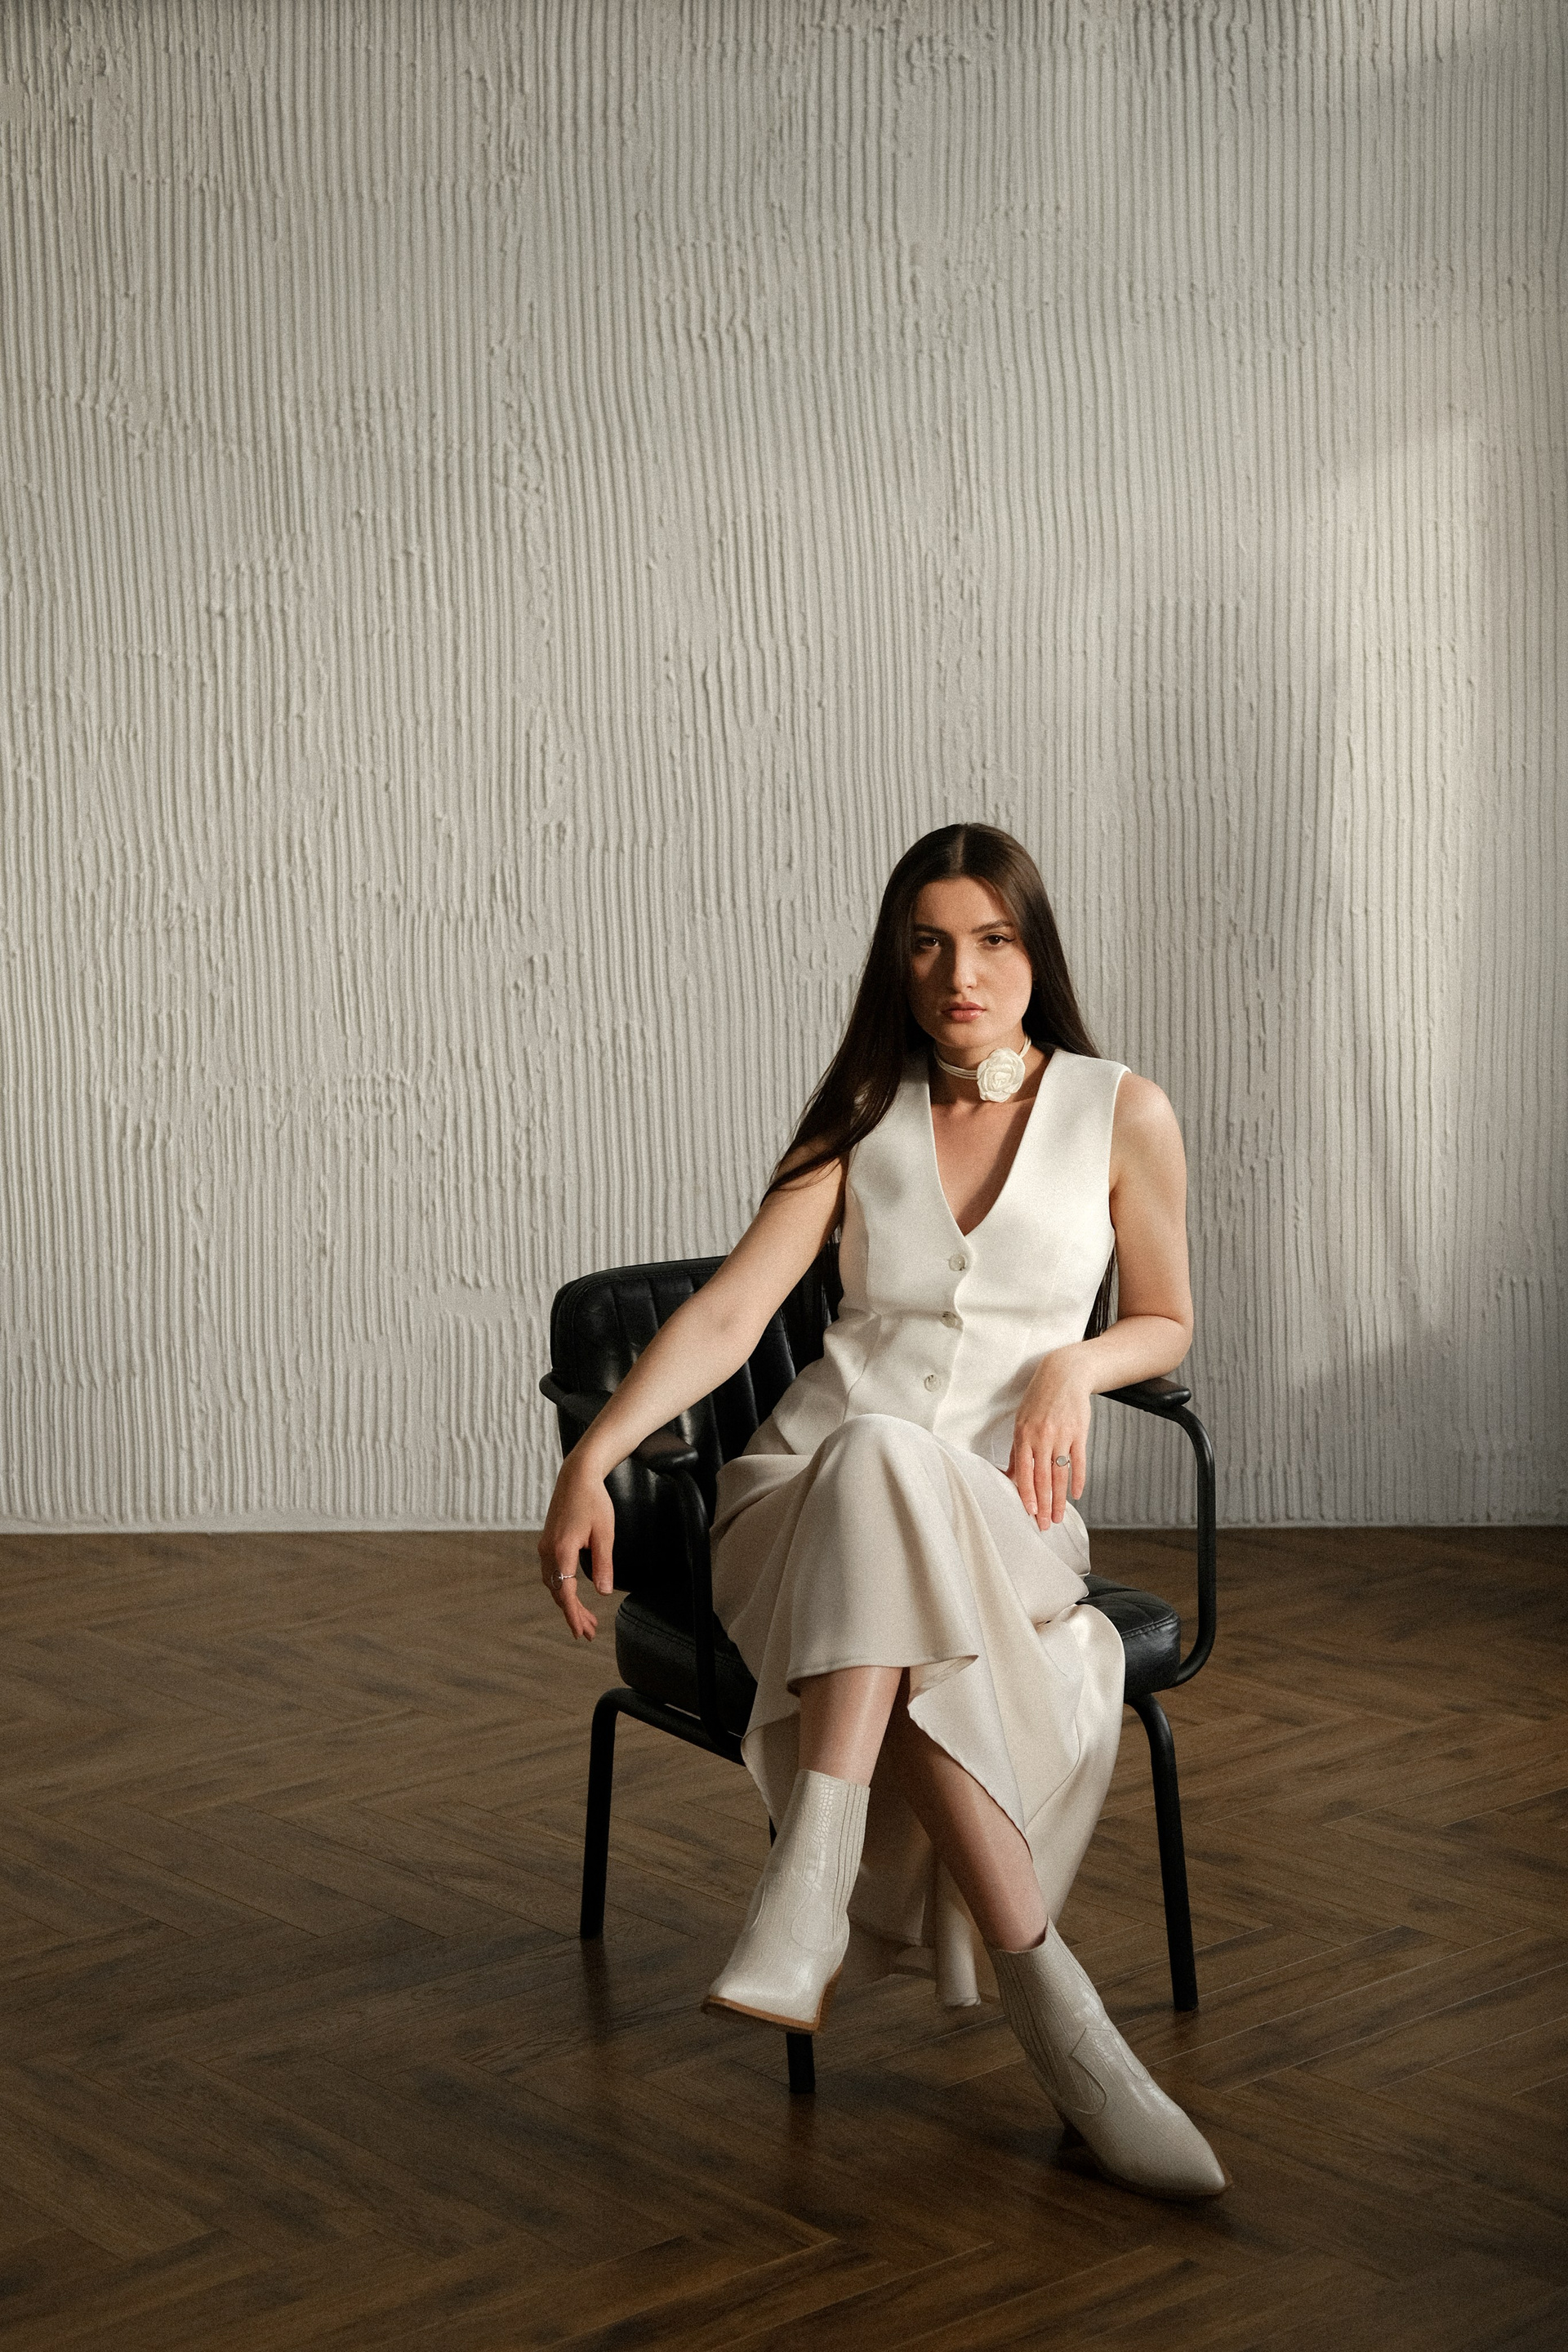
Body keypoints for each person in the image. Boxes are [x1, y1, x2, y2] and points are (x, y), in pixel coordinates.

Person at [537, 822, 1227, 2201]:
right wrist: (589, 1456)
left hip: (1007, 1526)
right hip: (800, 1510)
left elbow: (1165, 1317)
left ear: (1034, 953)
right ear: (896, 963)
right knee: (868, 1455)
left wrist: (1075, 1366)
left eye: (992, 941)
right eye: (928, 944)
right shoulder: (860, 1113)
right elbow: (732, 1312)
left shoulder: (1121, 1111)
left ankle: (814, 1887)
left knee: (896, 1491)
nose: (960, 974)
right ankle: (1067, 2032)